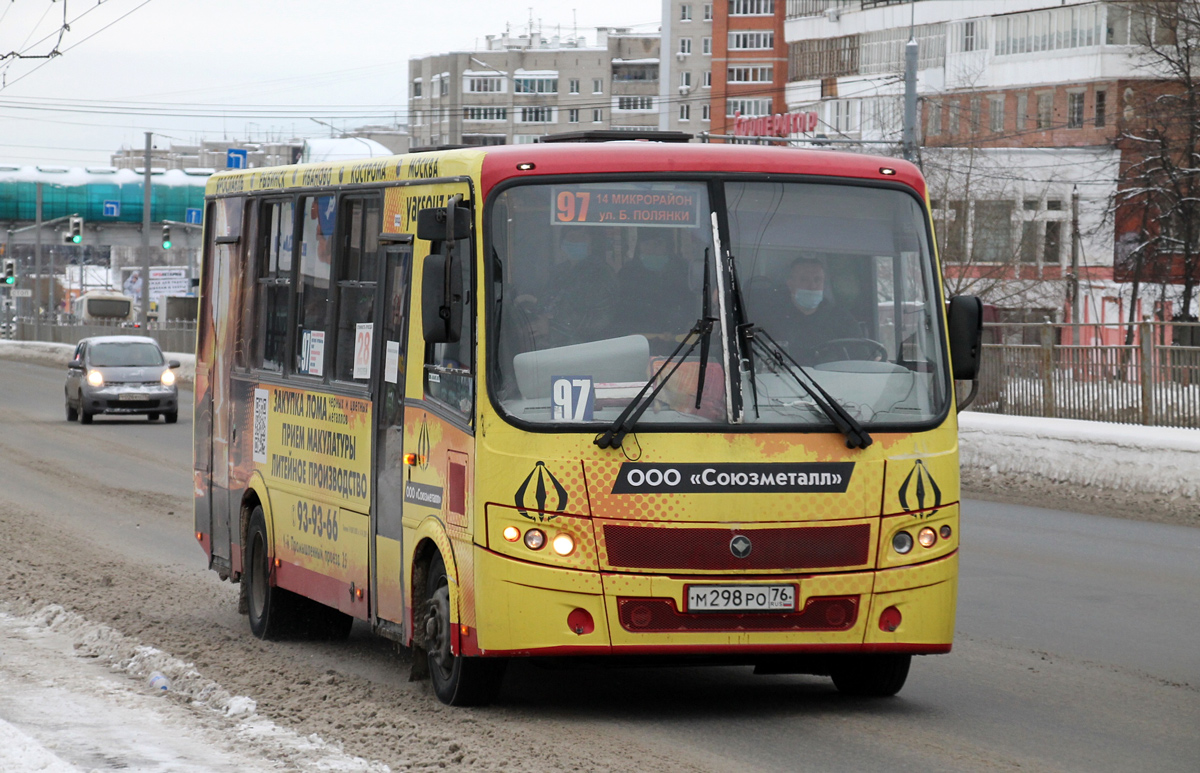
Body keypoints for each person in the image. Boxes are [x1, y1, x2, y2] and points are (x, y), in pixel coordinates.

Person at [528, 227, 619, 348]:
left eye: (582, 237)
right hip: (552, 349)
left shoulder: (601, 275)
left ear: (593, 243)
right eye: (571, 237)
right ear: (562, 243)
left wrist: (552, 328)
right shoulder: (559, 272)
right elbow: (549, 305)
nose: (575, 241)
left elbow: (601, 321)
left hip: (583, 353)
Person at [615, 229, 696, 350]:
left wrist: (675, 330)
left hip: (679, 347)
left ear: (668, 246)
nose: (651, 249)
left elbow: (692, 309)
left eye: (658, 244)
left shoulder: (684, 272)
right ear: (639, 247)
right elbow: (620, 314)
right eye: (646, 244)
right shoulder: (627, 274)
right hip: (635, 345)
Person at [775, 257, 860, 362]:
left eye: (817, 280)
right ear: (790, 284)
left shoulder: (842, 319)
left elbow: (861, 359)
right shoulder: (774, 319)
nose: (812, 286)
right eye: (804, 279)